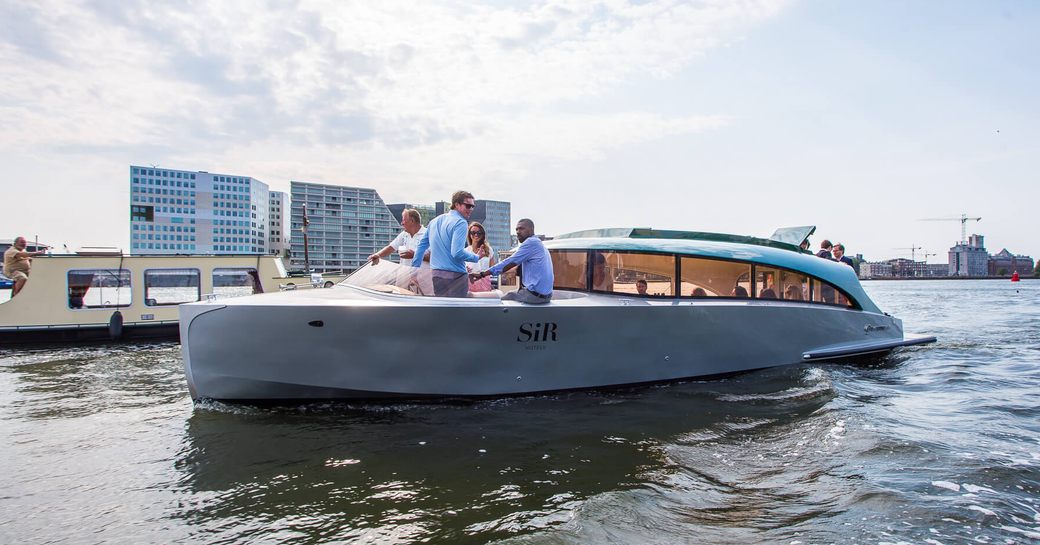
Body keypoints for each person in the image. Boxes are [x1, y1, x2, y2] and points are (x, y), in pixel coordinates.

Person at [412, 191, 481, 297]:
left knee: (442, 311)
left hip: (436, 275)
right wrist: (476, 257)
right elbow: (457, 253)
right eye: (468, 206)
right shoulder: (460, 222)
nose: (471, 209)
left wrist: (413, 272)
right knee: (458, 312)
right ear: (457, 205)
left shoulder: (434, 222)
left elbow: (421, 248)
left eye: (473, 206)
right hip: (456, 277)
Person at [471, 218, 553, 304]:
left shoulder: (530, 242)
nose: (518, 232)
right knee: (510, 293)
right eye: (516, 229)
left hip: (534, 296)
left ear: (531, 229)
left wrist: (482, 274)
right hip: (546, 296)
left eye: (521, 228)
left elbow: (509, 262)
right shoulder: (539, 243)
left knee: (501, 301)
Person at [465, 221, 496, 293]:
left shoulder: (489, 250)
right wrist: (465, 269)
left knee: (484, 303)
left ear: (483, 235)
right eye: (473, 232)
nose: (476, 235)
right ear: (469, 234)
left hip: (485, 283)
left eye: (479, 233)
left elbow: (492, 268)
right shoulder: (465, 251)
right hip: (470, 282)